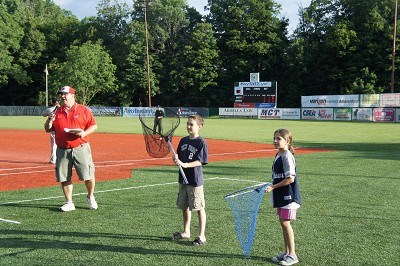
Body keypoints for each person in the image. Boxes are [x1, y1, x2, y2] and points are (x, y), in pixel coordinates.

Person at [44, 86, 98, 212]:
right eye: (61, 94)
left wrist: (83, 133)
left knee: (88, 175)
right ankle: (69, 202)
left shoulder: (83, 110)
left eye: (65, 94)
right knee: (64, 177)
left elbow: (94, 125)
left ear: (73, 95)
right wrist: (49, 120)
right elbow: (48, 129)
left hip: (81, 147)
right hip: (62, 149)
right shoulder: (57, 111)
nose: (62, 96)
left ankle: (90, 196)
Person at [265, 128, 301, 265]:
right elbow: (278, 175)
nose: (275, 141)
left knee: (286, 223)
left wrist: (273, 187)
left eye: (278, 138)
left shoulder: (286, 156)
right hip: (281, 195)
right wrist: (271, 184)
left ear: (287, 141)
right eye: (274, 138)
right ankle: (286, 253)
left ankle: (292, 255)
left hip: (288, 196)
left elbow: (290, 178)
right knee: (283, 223)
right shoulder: (279, 154)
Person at [171, 114, 208, 246]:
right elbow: (179, 158)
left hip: (194, 180)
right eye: (187, 124)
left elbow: (201, 161)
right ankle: (186, 232)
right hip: (183, 179)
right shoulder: (183, 140)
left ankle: (201, 235)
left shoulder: (201, 142)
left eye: (191, 124)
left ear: (200, 126)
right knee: (185, 206)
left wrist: (186, 164)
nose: (188, 126)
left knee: (199, 207)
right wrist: (176, 160)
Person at [42, 97, 60, 164]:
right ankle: (62, 159)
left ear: (52, 102)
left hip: (53, 128)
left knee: (54, 145)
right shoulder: (63, 109)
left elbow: (43, 114)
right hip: (61, 128)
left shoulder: (50, 109)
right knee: (62, 144)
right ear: (58, 102)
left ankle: (53, 160)